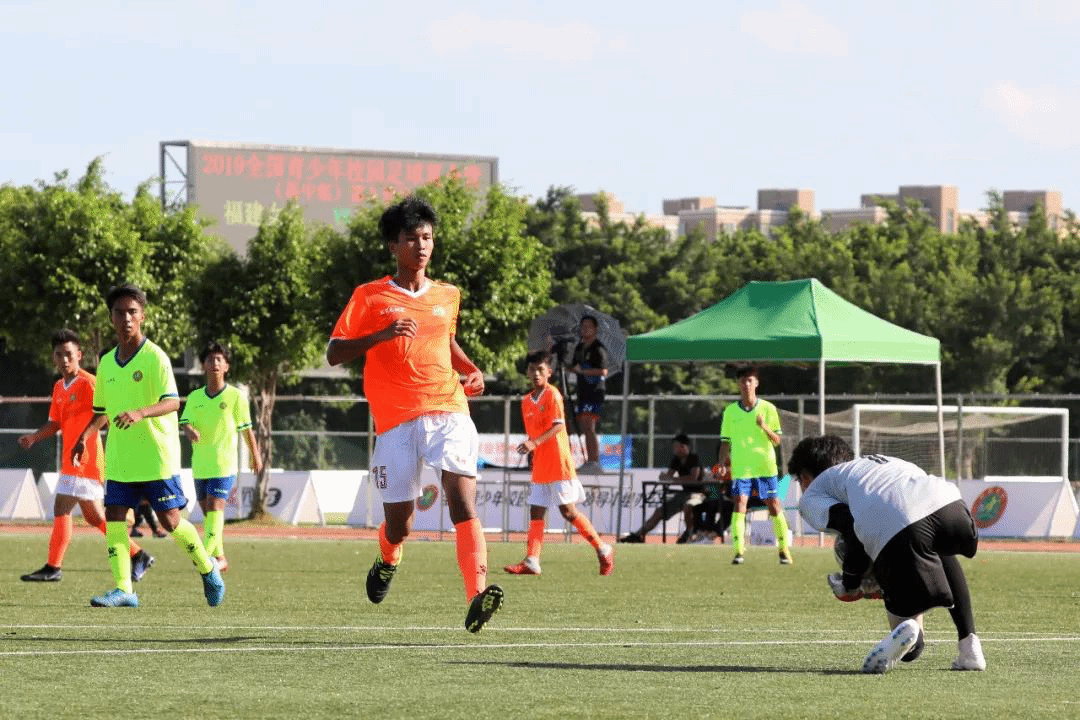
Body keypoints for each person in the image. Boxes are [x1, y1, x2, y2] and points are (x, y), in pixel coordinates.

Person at [326, 195, 503, 633]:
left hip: (449, 408)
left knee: (462, 501)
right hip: (395, 421)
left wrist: (470, 368)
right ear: (393, 245)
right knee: (400, 525)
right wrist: (382, 334)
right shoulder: (370, 296)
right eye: (411, 238)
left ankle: (477, 595)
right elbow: (334, 352)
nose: (421, 245)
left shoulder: (448, 295)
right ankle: (388, 559)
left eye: (427, 237)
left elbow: (445, 340)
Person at [71, 283, 225, 608]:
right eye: (120, 312)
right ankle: (124, 589)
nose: (126, 318)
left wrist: (140, 412)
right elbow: (101, 412)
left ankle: (207, 567)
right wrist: (84, 438)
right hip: (122, 458)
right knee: (114, 516)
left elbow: (173, 402)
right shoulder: (107, 363)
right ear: (112, 318)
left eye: (132, 312)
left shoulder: (156, 357)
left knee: (170, 522)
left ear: (142, 316)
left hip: (156, 456)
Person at [787, 435, 986, 674]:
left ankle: (911, 630)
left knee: (912, 648)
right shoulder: (878, 462)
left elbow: (851, 529)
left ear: (805, 477)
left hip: (901, 532)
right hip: (953, 507)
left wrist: (851, 583)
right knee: (936, 546)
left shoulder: (814, 491)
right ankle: (969, 646)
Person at [18, 329, 155, 583]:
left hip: (86, 460)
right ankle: (138, 554)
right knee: (95, 517)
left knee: (62, 506)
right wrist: (34, 437)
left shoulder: (89, 382)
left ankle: (53, 566)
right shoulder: (58, 387)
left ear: (79, 355)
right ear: (53, 358)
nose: (64, 360)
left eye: (69, 354)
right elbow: (55, 423)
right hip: (71, 460)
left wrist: (85, 438)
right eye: (59, 355)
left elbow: (105, 412)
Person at [504, 351, 614, 576]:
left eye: (540, 370)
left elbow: (558, 426)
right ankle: (532, 560)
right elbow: (534, 433)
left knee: (568, 511)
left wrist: (534, 443)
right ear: (527, 373)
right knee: (536, 511)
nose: (536, 374)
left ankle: (603, 549)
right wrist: (533, 448)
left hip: (558, 462)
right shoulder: (526, 401)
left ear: (549, 372)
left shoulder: (552, 394)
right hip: (540, 465)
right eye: (532, 369)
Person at [180, 340, 263, 573]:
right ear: (203, 366)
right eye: (210, 359)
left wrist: (255, 455)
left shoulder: (236, 396)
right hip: (201, 464)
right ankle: (221, 558)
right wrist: (189, 430)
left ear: (226, 366)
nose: (215, 363)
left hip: (224, 464)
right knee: (209, 514)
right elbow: (185, 422)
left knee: (215, 507)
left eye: (219, 359)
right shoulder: (195, 397)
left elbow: (247, 429)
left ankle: (204, 556)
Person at [719, 365, 792, 565]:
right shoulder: (730, 411)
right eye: (743, 380)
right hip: (741, 468)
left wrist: (764, 426)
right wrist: (721, 463)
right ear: (738, 384)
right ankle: (738, 551)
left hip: (764, 467)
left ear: (756, 383)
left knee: (774, 506)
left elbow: (777, 440)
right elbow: (725, 441)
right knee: (739, 504)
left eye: (750, 380)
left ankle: (784, 550)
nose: (746, 384)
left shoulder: (768, 408)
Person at [618, 433, 703, 544]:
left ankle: (690, 533)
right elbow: (668, 477)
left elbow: (693, 478)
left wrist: (671, 479)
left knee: (688, 506)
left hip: (699, 493)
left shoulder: (694, 458)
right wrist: (665, 478)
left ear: (683, 447)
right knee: (659, 512)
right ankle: (638, 535)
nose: (674, 449)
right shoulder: (676, 460)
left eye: (676, 446)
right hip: (683, 493)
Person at [569, 315, 608, 474]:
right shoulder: (579, 347)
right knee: (584, 426)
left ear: (595, 329)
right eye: (583, 326)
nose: (585, 329)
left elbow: (603, 371)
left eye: (588, 326)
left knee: (589, 425)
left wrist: (584, 371)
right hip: (582, 392)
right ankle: (589, 461)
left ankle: (594, 461)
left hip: (594, 392)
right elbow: (574, 367)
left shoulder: (598, 348)